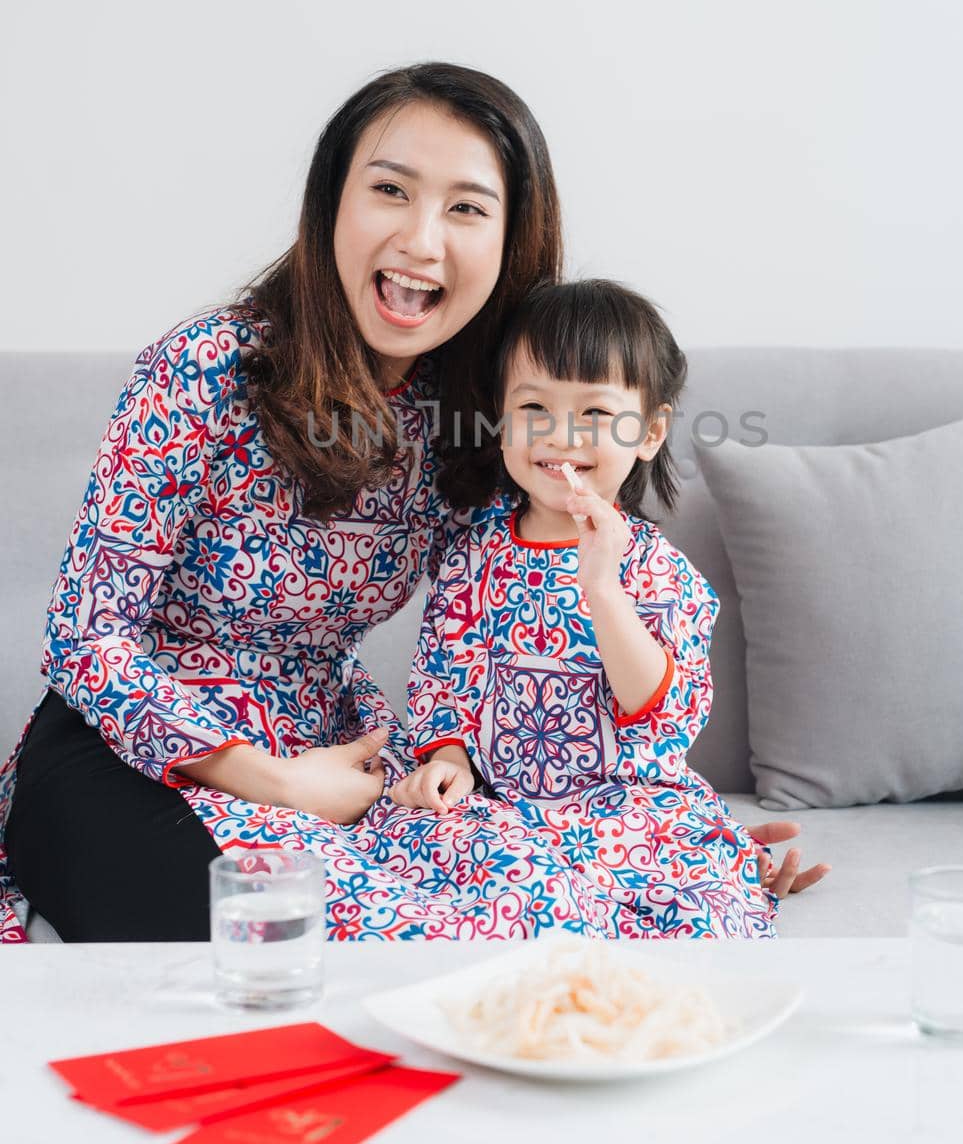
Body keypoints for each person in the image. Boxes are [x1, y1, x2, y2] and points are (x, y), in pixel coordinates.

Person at [0, 64, 823, 943]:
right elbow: (88, 637)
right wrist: (276, 781)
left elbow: (528, 656)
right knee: (275, 938)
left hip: (342, 751)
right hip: (136, 750)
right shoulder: (206, 368)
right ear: (331, 204)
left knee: (483, 934)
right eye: (390, 189)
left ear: (511, 238)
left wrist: (667, 846)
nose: (421, 241)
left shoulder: (489, 415)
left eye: (466, 208)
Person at [389, 279, 831, 935]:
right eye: (534, 406)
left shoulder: (657, 572)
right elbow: (446, 678)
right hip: (500, 808)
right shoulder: (472, 555)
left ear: (649, 432)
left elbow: (661, 712)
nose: (561, 434)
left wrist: (603, 588)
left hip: (622, 809)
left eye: (595, 415)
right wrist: (448, 761)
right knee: (429, 865)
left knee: (704, 905)